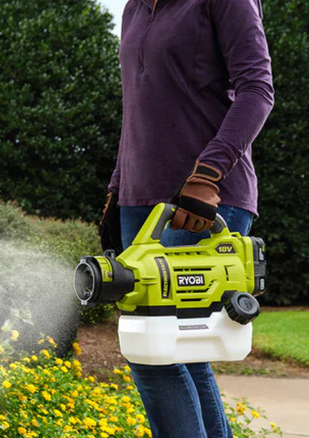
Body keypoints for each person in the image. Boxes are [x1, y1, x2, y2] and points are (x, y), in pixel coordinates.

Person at [99, 0, 275, 437]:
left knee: (150, 346)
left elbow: (257, 90)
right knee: (182, 350)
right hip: (140, 204)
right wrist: (117, 189)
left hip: (204, 202)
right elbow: (136, 111)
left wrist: (208, 173)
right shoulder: (134, 9)